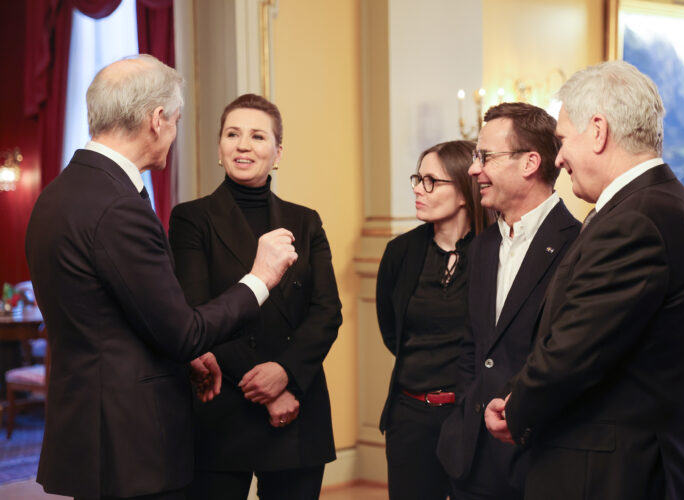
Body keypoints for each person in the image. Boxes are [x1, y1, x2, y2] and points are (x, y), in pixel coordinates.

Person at [25, 55, 297, 500]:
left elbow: (107, 316)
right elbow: (185, 332)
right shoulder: (119, 206)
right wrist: (260, 278)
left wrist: (182, 354)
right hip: (130, 439)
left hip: (89, 429)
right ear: (157, 120)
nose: (174, 130)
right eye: (176, 119)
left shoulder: (57, 194)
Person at [485, 60, 684, 500]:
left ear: (598, 131)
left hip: (612, 474)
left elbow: (576, 347)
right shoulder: (656, 205)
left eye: (561, 140)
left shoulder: (638, 220)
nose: (558, 159)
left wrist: (516, 409)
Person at [169, 93, 342, 500]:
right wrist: (264, 390)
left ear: (277, 152)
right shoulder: (190, 219)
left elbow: (326, 311)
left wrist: (285, 375)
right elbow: (198, 313)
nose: (243, 145)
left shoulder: (306, 220)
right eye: (233, 134)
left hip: (298, 404)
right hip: (223, 406)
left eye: (258, 136)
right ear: (219, 148)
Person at [436, 103, 580, 499]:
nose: (472, 169)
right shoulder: (482, 246)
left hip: (537, 457)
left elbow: (568, 357)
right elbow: (473, 345)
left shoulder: (577, 246)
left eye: (485, 157)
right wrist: (462, 419)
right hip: (472, 457)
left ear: (530, 162)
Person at [376, 140, 493, 500]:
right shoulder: (400, 252)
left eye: (431, 181)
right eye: (417, 178)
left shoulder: (494, 250)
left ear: (463, 190)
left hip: (469, 414)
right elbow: (391, 330)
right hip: (409, 414)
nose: (417, 189)